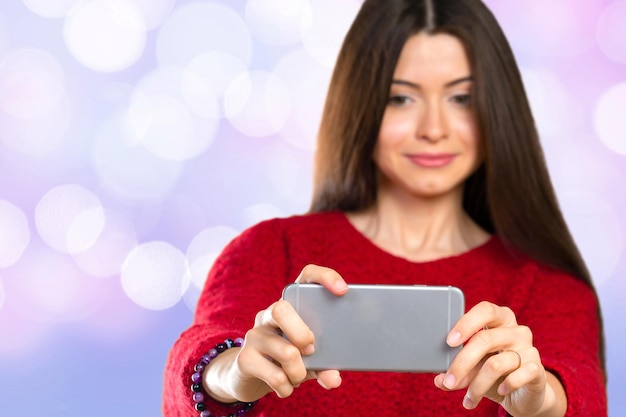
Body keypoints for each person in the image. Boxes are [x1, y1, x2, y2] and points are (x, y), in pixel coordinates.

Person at [163, 0, 607, 416]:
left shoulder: (550, 288)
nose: (433, 128)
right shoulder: (268, 250)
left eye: (461, 98)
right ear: (362, 105)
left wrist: (544, 401)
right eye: (401, 98)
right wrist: (233, 373)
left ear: (496, 111)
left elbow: (581, 390)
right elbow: (196, 358)